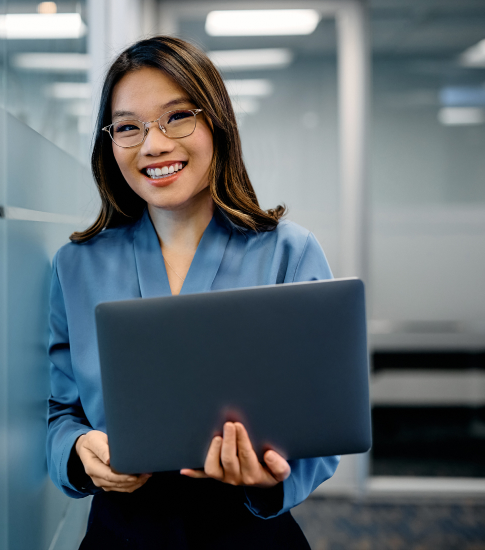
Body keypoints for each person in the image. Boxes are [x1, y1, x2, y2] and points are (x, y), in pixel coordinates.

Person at [46, 36, 340, 549]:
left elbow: (326, 418)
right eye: (129, 127)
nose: (153, 145)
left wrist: (272, 478)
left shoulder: (288, 252)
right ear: (109, 141)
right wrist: (76, 448)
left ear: (216, 123)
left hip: (248, 532)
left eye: (177, 116)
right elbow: (55, 410)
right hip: (122, 532)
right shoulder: (76, 266)